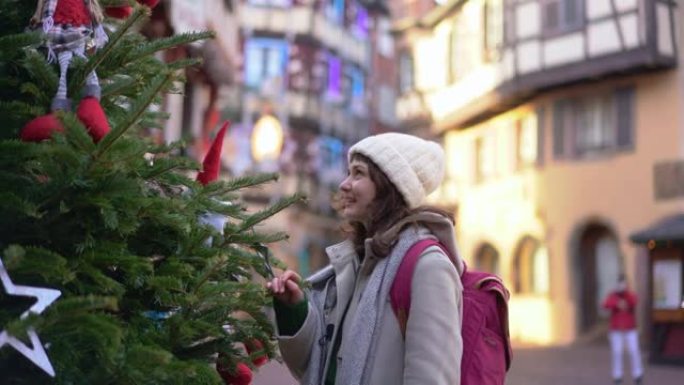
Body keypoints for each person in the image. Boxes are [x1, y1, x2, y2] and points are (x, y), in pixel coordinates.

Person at [266, 133, 464, 385]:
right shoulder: (358, 263)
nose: (344, 184)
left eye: (358, 173)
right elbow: (318, 365)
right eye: (349, 172)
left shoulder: (428, 267)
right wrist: (294, 310)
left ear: (391, 184)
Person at [602, 274, 644, 385]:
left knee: (634, 351)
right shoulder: (613, 295)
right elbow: (605, 304)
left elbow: (634, 301)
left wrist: (625, 295)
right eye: (620, 284)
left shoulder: (629, 294)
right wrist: (616, 302)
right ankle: (617, 376)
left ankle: (637, 375)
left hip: (630, 328)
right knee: (617, 353)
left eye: (623, 283)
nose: (621, 286)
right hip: (616, 329)